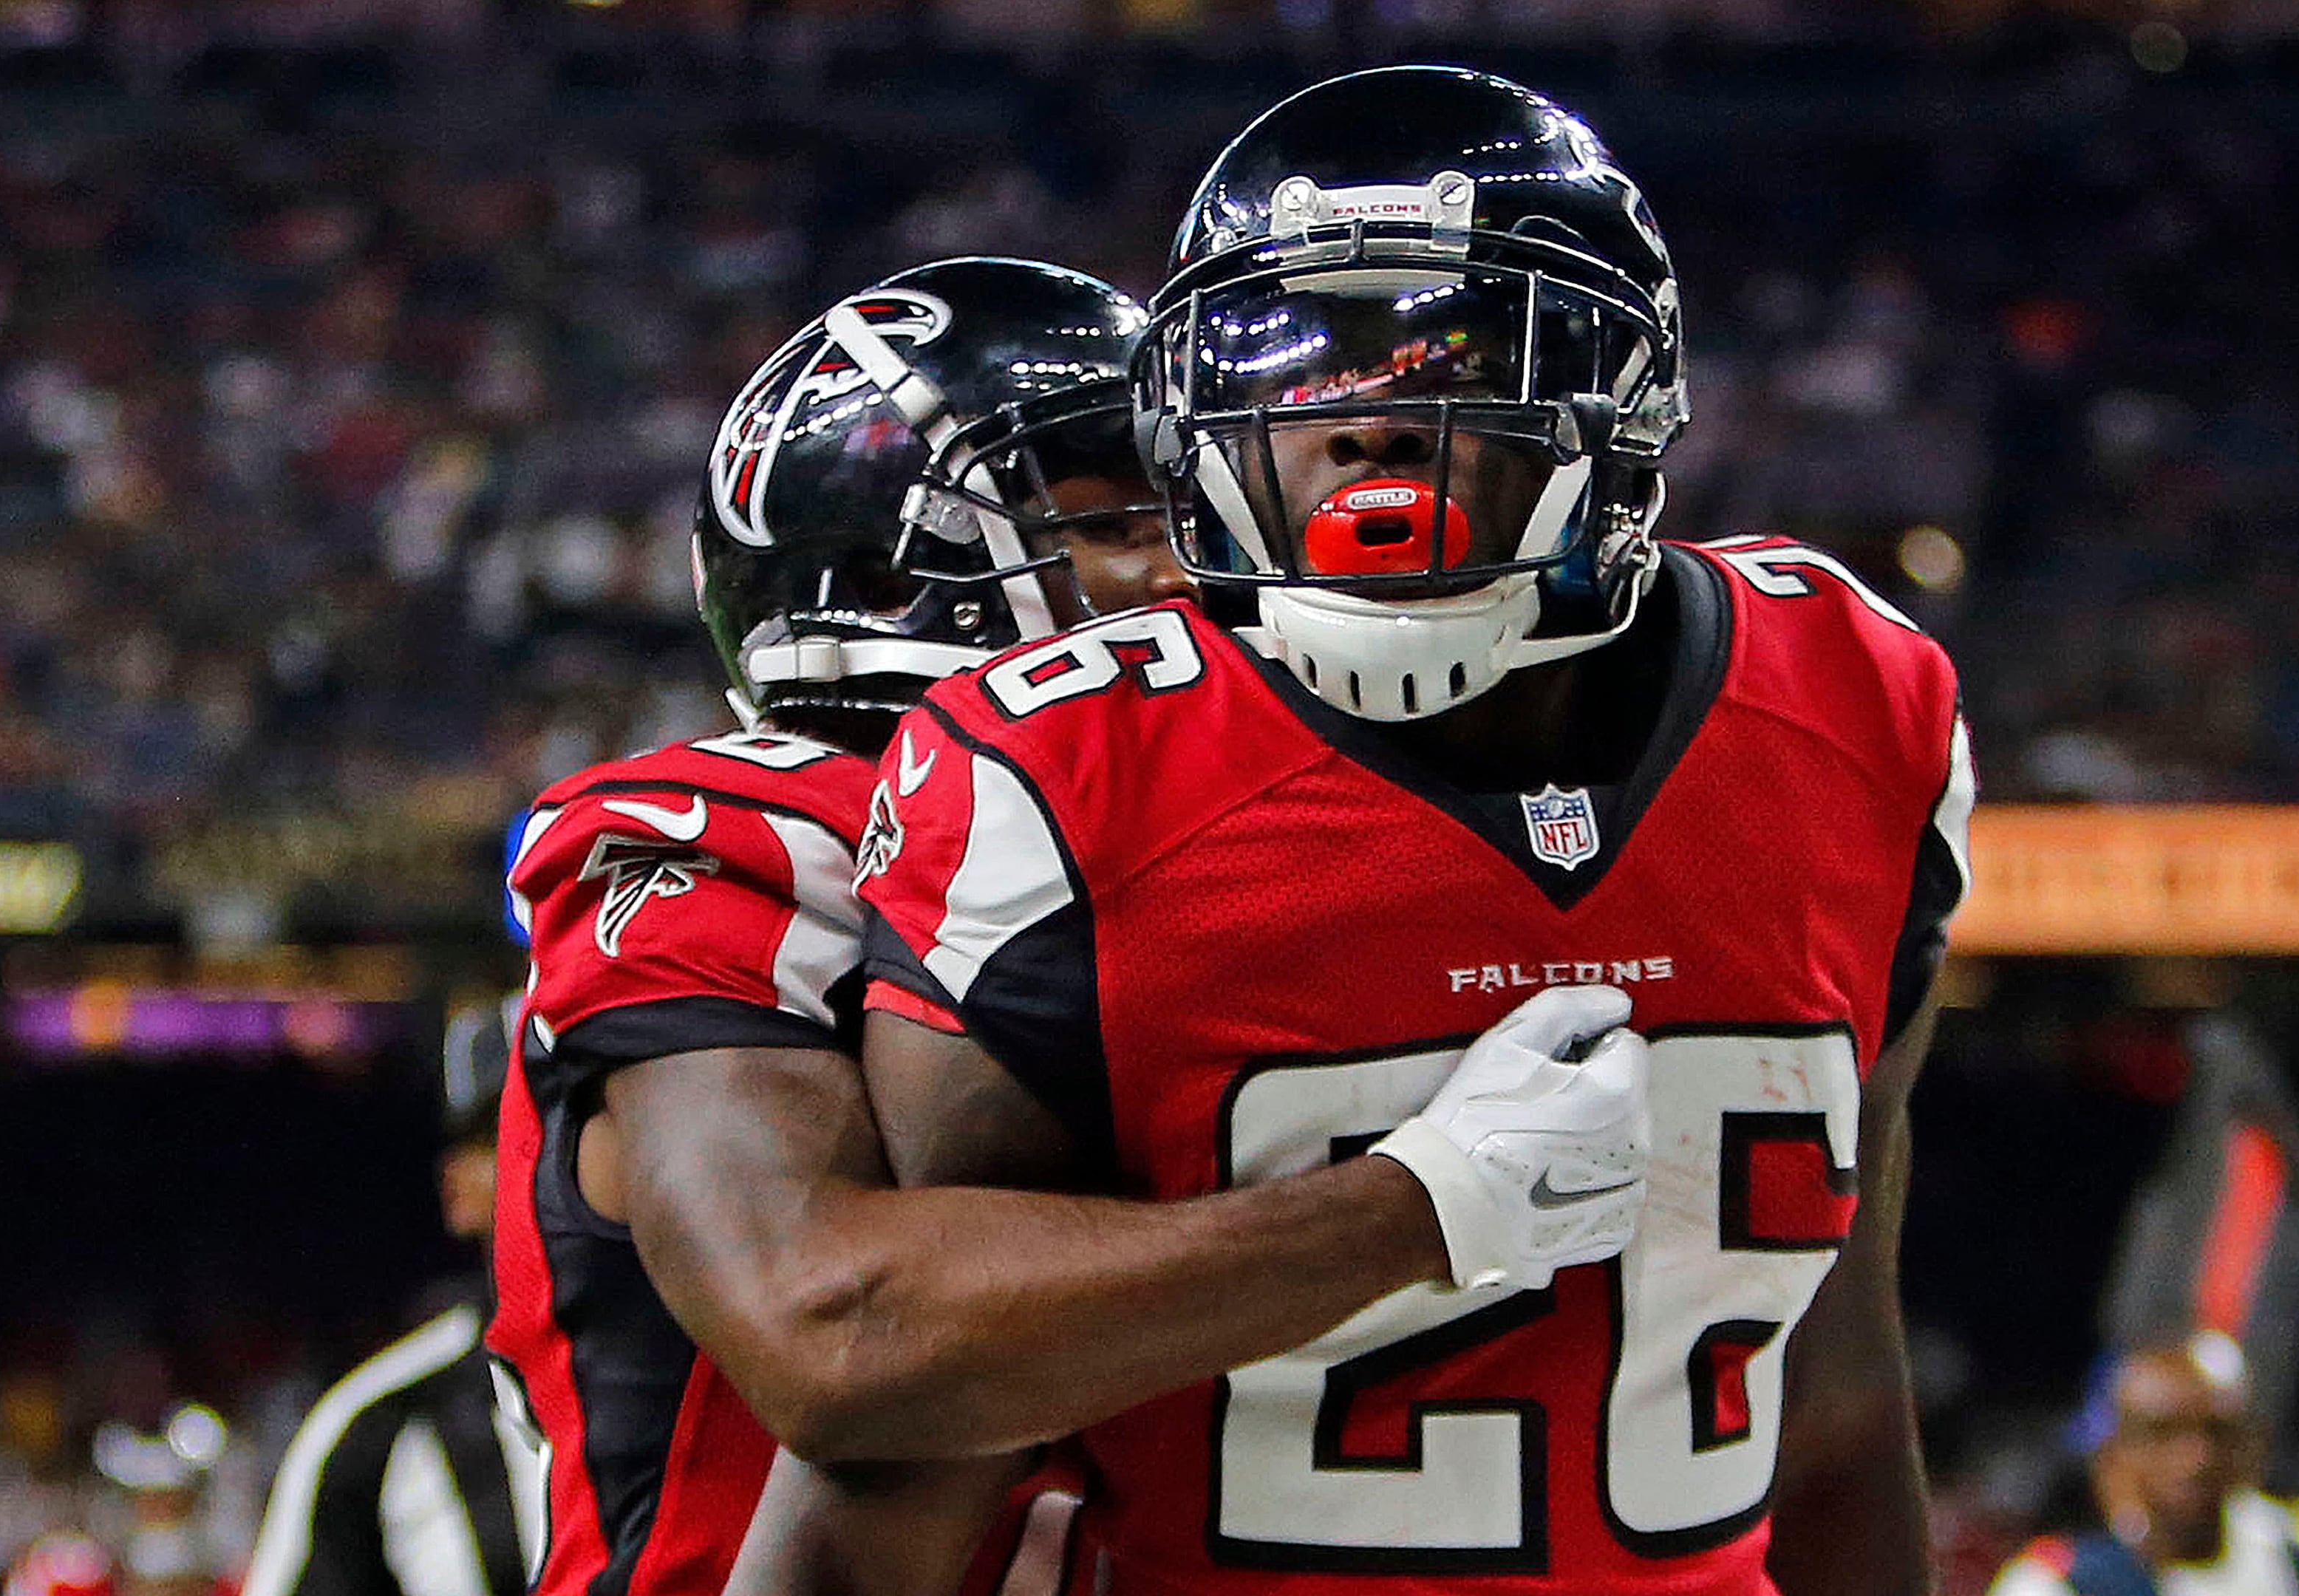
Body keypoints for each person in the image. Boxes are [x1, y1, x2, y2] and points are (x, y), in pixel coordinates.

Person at [845, 64, 1975, 1595]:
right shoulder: (1059, 772)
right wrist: (1405, 1213)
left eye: (1448, 346)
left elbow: (1836, 1399)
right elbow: (893, 1443)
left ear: (1616, 390)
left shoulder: (1854, 702)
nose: (1363, 421)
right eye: (1289, 355)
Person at [489, 255, 1627, 1596]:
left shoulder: (1192, 848)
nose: (1191, 563)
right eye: (1116, 523)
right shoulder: (746, 836)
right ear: (882, 578)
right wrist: (1417, 1206)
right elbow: (827, 1330)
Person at [245, 1000, 534, 1596]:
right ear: (458, 1187)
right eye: (517, 1131)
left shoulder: (738, 1374)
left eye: (586, 1120)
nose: (559, 1160)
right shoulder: (381, 1426)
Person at [1989, 1335, 2299, 1596]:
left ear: (2250, 1449)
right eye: (2163, 1433)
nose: (2196, 1459)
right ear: (2115, 1457)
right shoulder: (2060, 1583)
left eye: (2216, 1433)